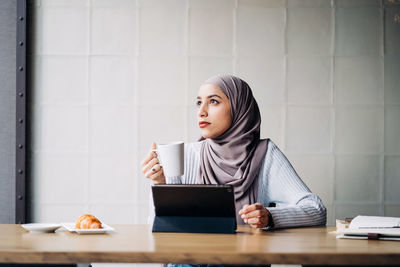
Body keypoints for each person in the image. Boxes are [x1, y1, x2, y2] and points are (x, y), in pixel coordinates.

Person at [141, 74, 326, 230]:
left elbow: (316, 210)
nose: (201, 112)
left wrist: (270, 216)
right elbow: (161, 228)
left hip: (243, 261)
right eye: (199, 103)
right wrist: (159, 183)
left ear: (239, 107)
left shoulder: (264, 154)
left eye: (213, 101)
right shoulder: (187, 154)